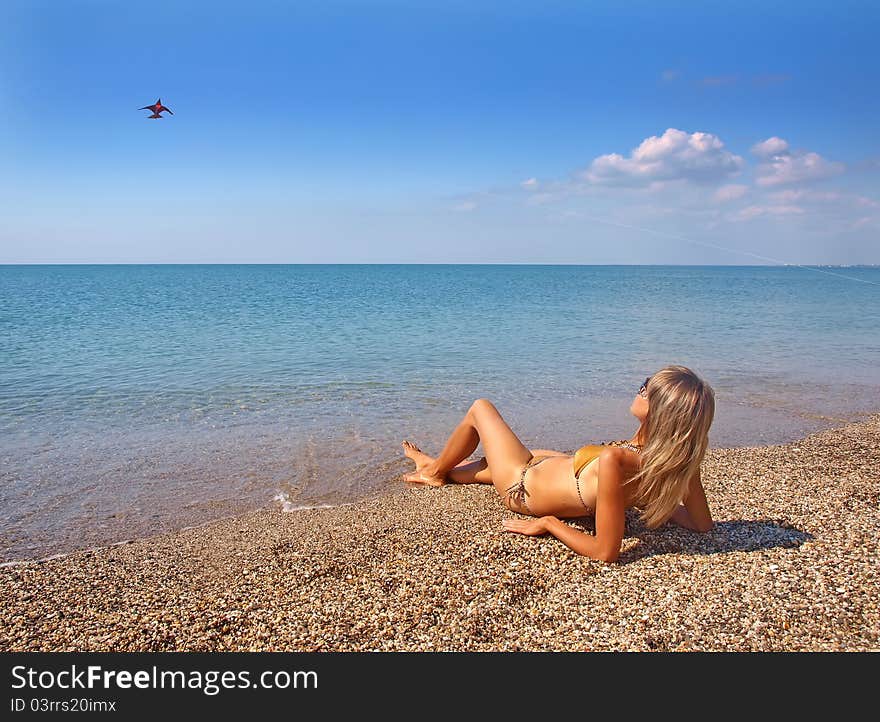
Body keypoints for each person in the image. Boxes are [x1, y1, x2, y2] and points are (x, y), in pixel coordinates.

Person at [401, 365, 715, 563]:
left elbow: (605, 552)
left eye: (648, 388)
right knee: (491, 460)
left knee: (480, 410)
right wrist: (653, 501)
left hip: (521, 486)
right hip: (552, 467)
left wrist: (549, 524)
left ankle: (436, 472)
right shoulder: (676, 461)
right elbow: (702, 524)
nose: (641, 389)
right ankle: (437, 465)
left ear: (661, 412)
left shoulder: (615, 460)